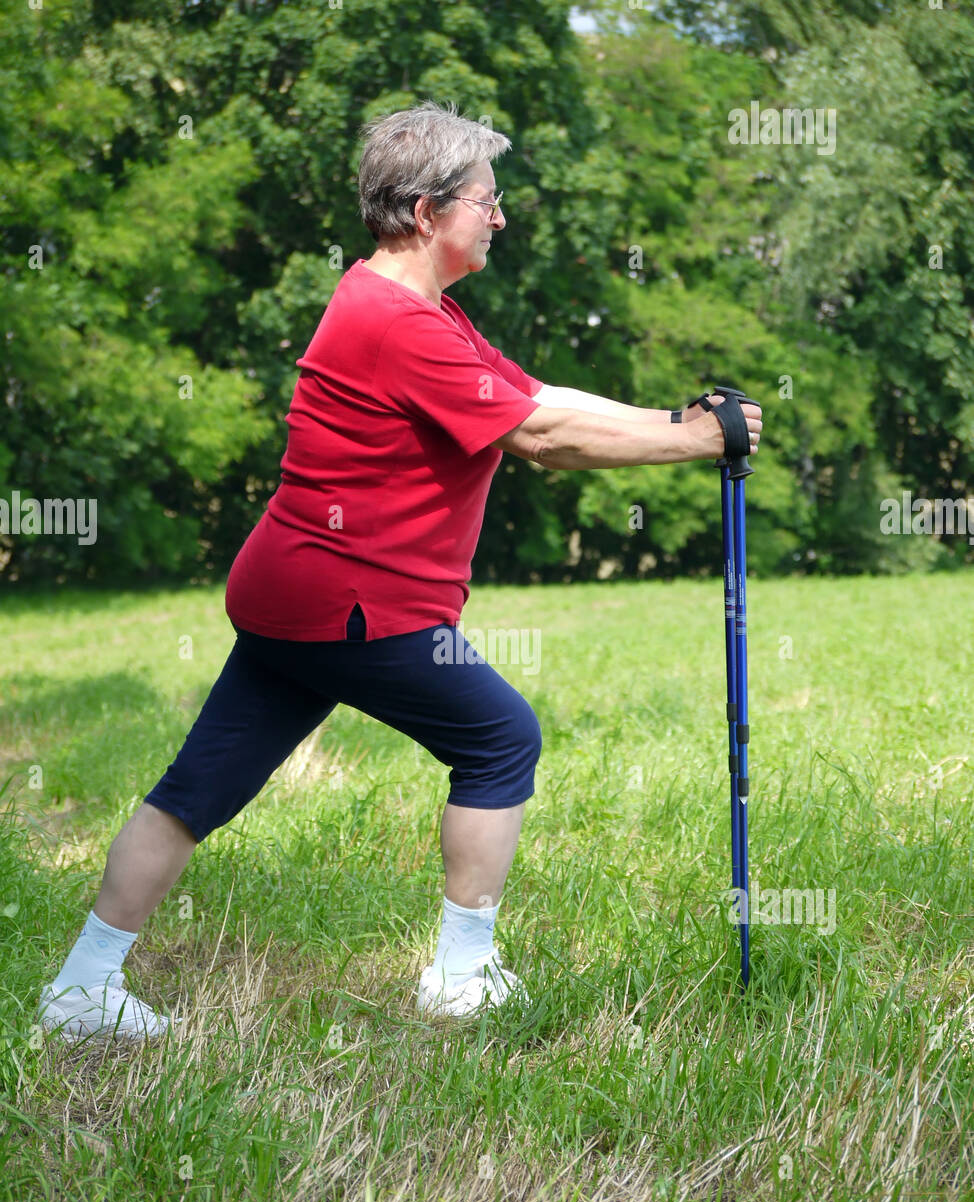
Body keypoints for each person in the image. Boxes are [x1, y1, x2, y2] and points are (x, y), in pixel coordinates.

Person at [37, 100, 762, 1039]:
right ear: (427, 212)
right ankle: (461, 978)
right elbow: (542, 437)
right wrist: (703, 441)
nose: (498, 217)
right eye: (485, 201)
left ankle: (80, 989)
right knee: (500, 737)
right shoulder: (400, 324)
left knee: (195, 790)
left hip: (289, 594)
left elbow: (536, 395)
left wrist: (679, 422)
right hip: (351, 605)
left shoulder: (408, 305)